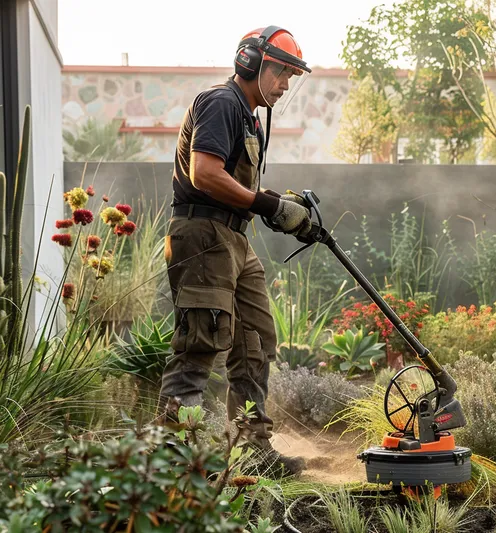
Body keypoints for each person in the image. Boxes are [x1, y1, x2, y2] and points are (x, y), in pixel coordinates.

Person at [158, 26, 312, 474]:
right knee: (200, 344)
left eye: (291, 77)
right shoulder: (223, 103)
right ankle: (171, 461)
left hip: (234, 238)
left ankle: (252, 452)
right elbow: (204, 173)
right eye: (282, 73)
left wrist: (282, 209)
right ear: (252, 62)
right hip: (202, 234)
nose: (285, 85)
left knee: (256, 339)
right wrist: (266, 202)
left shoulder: (249, 117)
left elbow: (238, 187)